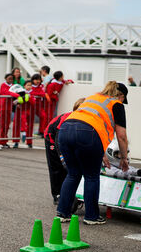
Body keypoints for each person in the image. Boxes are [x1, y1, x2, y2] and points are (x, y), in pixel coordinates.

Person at [56, 81, 129, 225]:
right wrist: (124, 158)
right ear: (120, 95)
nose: (122, 102)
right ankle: (91, 216)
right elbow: (121, 136)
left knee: (72, 174)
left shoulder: (93, 97)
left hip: (64, 130)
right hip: (87, 134)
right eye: (123, 99)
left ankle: (63, 213)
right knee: (91, 176)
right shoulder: (116, 104)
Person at [44, 98, 85, 206]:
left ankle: (70, 193)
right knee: (57, 167)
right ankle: (57, 195)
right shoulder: (67, 119)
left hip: (67, 140)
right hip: (52, 139)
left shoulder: (85, 120)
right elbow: (58, 141)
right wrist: (62, 157)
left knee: (71, 167)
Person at [0, 73, 20, 148]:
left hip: (9, 107)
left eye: (12, 79)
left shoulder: (13, 86)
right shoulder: (3, 85)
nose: (11, 80)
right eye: (9, 78)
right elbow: (5, 92)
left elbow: (17, 92)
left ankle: (4, 140)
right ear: (5, 79)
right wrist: (16, 95)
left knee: (6, 124)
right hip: (1, 107)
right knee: (0, 124)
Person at [11, 80, 36, 148]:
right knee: (16, 126)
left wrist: (29, 97)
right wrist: (18, 101)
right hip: (19, 111)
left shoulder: (32, 93)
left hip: (29, 111)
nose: (29, 87)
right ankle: (16, 142)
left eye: (30, 85)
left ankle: (29, 142)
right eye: (27, 85)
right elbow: (15, 100)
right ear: (24, 86)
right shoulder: (20, 92)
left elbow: (33, 102)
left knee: (29, 126)